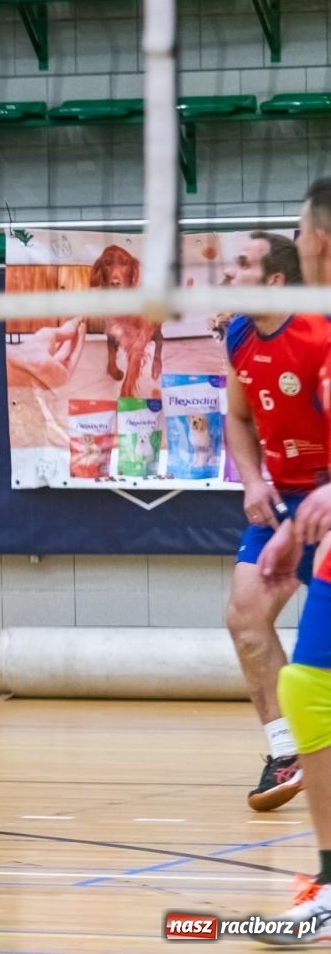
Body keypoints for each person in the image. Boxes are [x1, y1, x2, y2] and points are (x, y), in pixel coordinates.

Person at [222, 232, 327, 811]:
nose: (228, 273)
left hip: (327, 498)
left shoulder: (318, 335)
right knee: (244, 617)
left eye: (241, 265)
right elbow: (238, 418)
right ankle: (286, 752)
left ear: (275, 282)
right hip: (282, 499)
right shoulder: (239, 335)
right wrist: (253, 480)